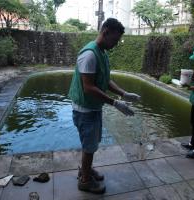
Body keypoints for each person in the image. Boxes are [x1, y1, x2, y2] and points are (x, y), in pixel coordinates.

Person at [68, 18, 141, 194]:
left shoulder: (102, 53)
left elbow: (105, 79)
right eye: (114, 40)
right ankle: (85, 180)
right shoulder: (89, 54)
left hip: (93, 108)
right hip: (85, 109)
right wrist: (114, 103)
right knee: (89, 146)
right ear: (105, 31)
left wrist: (123, 93)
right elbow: (88, 87)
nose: (115, 45)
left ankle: (86, 169)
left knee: (91, 144)